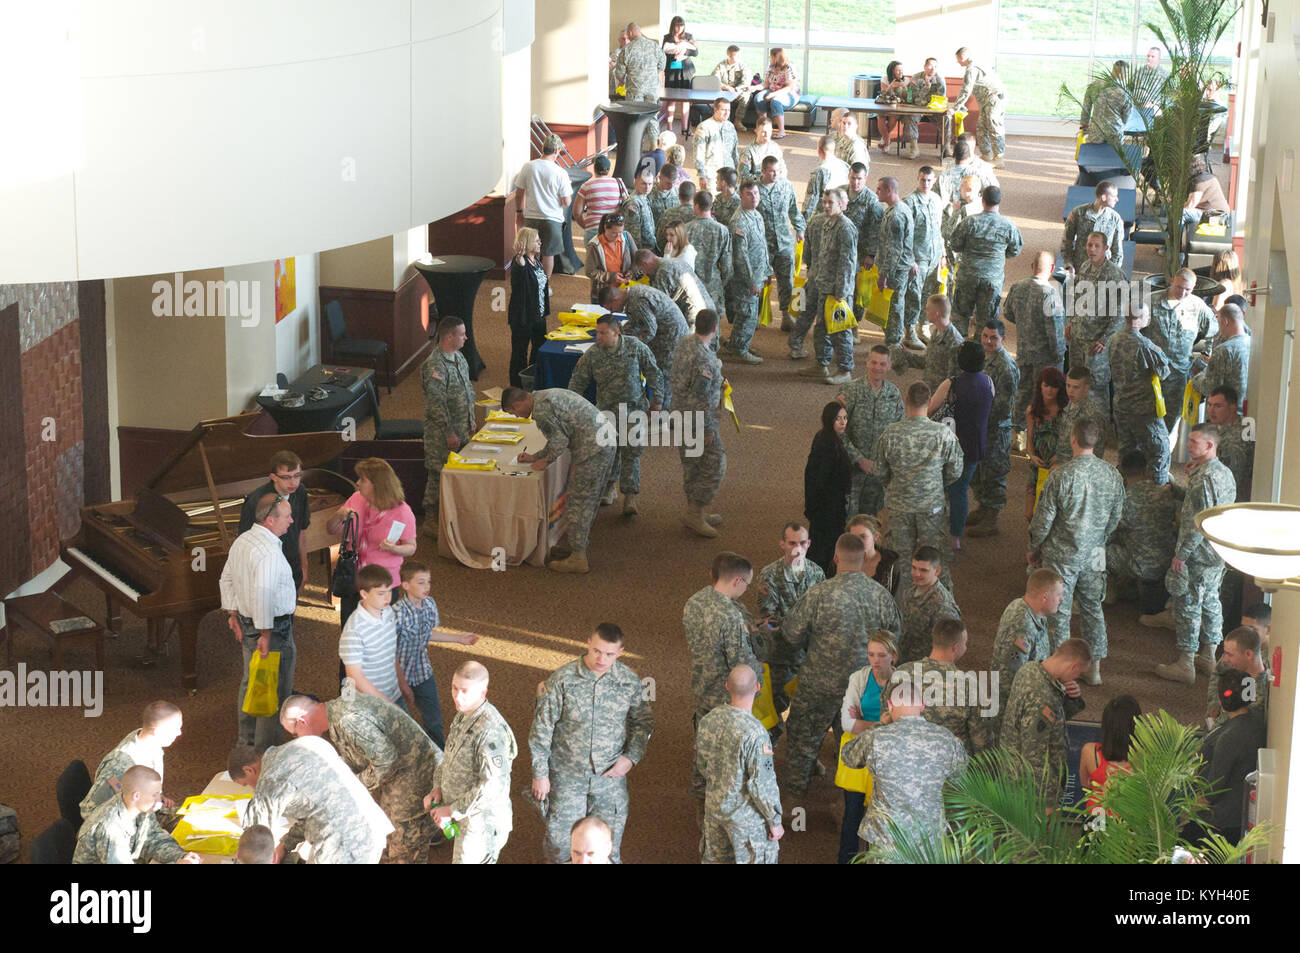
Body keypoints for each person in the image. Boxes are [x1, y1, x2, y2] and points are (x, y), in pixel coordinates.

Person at [780, 532, 902, 797]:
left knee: (803, 740)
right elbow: (894, 641)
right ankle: (852, 803)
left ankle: (795, 798)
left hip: (818, 684)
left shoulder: (819, 594)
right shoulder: (882, 597)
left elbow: (790, 634)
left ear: (835, 558)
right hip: (864, 688)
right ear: (863, 559)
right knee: (857, 744)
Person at [530, 623, 654, 864]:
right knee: (561, 846)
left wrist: (630, 759)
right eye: (597, 650)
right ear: (588, 643)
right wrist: (540, 773)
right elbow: (542, 728)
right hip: (567, 774)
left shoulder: (629, 681)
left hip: (610, 777)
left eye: (609, 654)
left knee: (607, 846)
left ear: (620, 652)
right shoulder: (562, 679)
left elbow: (643, 722)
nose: (601, 658)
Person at [280, 691, 442, 864]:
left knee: (401, 846)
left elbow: (386, 761)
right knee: (396, 839)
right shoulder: (337, 712)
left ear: (302, 721)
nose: (298, 739)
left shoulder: (348, 720)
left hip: (415, 774)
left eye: (295, 734)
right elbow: (358, 758)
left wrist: (354, 785)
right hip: (405, 771)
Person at [1028, 420, 1124, 683]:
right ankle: (1094, 669)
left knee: (1060, 612)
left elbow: (1043, 521)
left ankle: (1063, 670)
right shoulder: (1113, 475)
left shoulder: (1061, 476)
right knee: (1093, 607)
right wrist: (1100, 537)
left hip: (1063, 555)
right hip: (1096, 553)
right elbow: (1116, 517)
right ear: (1096, 442)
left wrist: (1034, 547)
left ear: (1073, 440)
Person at [840, 677, 967, 857]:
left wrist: (879, 725)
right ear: (922, 704)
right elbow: (960, 779)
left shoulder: (877, 737)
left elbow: (848, 756)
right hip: (930, 840)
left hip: (886, 840)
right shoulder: (947, 739)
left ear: (890, 706)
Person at [504, 386, 616, 573]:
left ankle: (578, 558)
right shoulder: (542, 396)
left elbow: (559, 442)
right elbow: (561, 435)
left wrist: (545, 460)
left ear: (517, 404)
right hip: (603, 442)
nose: (516, 417)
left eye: (513, 412)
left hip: (593, 451)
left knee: (578, 502)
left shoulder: (541, 410)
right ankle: (577, 546)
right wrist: (536, 456)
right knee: (588, 499)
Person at [1157, 423, 1237, 683]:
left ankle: (1185, 664)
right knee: (1212, 601)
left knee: (1188, 605)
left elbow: (1197, 522)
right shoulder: (1224, 473)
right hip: (1218, 551)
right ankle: (1208, 656)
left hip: (1198, 554)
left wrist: (1181, 555)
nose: (1189, 446)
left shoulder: (1204, 479)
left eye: (1194, 442)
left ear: (1210, 445)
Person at [238, 735, 393, 864]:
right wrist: (285, 845)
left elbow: (256, 839)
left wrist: (244, 858)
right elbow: (315, 811)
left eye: (245, 784)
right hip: (371, 831)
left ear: (248, 770)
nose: (252, 788)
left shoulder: (271, 778)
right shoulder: (306, 743)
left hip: (343, 847)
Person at [220, 493, 297, 748]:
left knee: (251, 683)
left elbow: (226, 579)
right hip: (273, 631)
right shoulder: (268, 553)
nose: (292, 521)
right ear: (270, 520)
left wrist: (232, 614)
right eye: (287, 516)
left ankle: (246, 744)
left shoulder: (243, 540)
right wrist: (266, 633)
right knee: (272, 694)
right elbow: (263, 594)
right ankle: (267, 754)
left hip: (246, 622)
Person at [568, 313, 664, 516]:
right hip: (607, 411)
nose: (599, 337)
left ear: (616, 332)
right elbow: (578, 383)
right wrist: (571, 408)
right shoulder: (593, 354)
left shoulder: (635, 347)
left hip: (634, 409)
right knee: (610, 453)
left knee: (632, 452)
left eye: (603, 333)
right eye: (597, 333)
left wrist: (657, 401)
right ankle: (610, 487)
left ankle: (630, 497)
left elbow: (654, 372)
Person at [876, 380, 965, 591]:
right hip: (931, 506)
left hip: (899, 505)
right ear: (930, 401)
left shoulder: (890, 433)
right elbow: (956, 470)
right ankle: (943, 608)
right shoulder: (944, 434)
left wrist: (896, 485)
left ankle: (901, 608)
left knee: (900, 560)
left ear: (907, 401)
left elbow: (880, 472)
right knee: (936, 557)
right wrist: (936, 484)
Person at [425, 661, 518, 864]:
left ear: (483, 692)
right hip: (464, 815)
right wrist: (437, 787)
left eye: (465, 691)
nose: (458, 696)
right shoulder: (463, 716)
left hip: (482, 823)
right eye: (454, 688)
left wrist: (450, 810)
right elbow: (449, 759)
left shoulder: (490, 732)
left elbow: (492, 787)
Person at [696, 665, 784, 863]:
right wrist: (774, 821)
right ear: (758, 688)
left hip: (714, 809)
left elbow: (702, 765)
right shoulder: (756, 733)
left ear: (727, 686)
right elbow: (761, 783)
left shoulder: (708, 720)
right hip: (746, 820)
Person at [392, 559, 478, 746]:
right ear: (406, 585)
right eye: (421, 582)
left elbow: (428, 633)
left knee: (434, 720)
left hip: (422, 670)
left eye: (429, 582)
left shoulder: (430, 604)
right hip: (394, 675)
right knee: (402, 725)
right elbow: (388, 650)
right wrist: (402, 682)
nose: (427, 587)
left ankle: (439, 758)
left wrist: (458, 638)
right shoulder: (396, 613)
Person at [1000, 638, 1090, 808]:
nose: (1076, 678)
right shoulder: (1042, 698)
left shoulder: (1030, 668)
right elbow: (1035, 756)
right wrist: (1047, 802)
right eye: (1078, 673)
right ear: (1073, 667)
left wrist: (1072, 699)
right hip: (1029, 790)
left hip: (1015, 772)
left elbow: (1054, 719)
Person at [327, 457, 416, 621]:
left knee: (377, 634)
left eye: (363, 479)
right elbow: (330, 529)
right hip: (353, 579)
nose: (358, 482)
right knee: (349, 627)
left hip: (381, 584)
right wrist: (339, 515)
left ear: (377, 484)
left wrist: (394, 549)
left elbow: (411, 547)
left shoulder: (402, 511)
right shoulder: (355, 498)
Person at [836, 631, 897, 863]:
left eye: (881, 655)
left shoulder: (903, 681)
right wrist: (882, 723)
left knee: (881, 819)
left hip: (887, 759)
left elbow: (903, 725)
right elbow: (847, 723)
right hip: (859, 755)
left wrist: (862, 723)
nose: (875, 660)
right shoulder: (858, 678)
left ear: (893, 655)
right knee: (852, 815)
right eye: (871, 654)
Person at [893, 618, 991, 755]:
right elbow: (980, 741)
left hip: (905, 762)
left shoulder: (901, 673)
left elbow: (886, 719)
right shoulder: (969, 685)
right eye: (965, 644)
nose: (966, 648)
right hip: (951, 768)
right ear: (955, 647)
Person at [929, 341, 993, 546]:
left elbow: (930, 408)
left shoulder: (952, 384)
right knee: (961, 489)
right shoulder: (989, 382)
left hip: (950, 446)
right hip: (975, 446)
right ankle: (956, 535)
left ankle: (933, 529)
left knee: (940, 487)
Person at [670, 310, 728, 536]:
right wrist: (706, 429)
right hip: (696, 419)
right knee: (716, 463)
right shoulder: (706, 360)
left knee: (692, 462)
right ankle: (695, 512)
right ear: (715, 329)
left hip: (679, 412)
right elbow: (701, 397)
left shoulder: (685, 341)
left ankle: (695, 511)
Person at [989, 570, 1064, 742]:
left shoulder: (1025, 607)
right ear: (1044, 597)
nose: (1062, 599)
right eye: (1059, 595)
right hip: (1012, 705)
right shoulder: (1023, 625)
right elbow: (1012, 677)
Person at [793, 188, 858, 384]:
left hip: (837, 291)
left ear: (841, 204)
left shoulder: (846, 228)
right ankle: (821, 365)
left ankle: (845, 369)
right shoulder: (828, 223)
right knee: (821, 327)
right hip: (823, 285)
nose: (826, 205)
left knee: (840, 330)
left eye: (830, 202)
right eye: (824, 201)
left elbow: (848, 262)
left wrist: (842, 291)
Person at [73, 765, 198, 865]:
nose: (159, 799)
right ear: (136, 796)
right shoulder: (110, 829)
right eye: (155, 794)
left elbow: (153, 838)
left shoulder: (139, 806)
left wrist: (179, 856)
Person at [1196, 669, 1267, 844]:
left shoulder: (1229, 738)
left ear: (1221, 699)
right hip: (1237, 813)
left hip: (1219, 822)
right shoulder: (1257, 721)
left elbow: (1212, 790)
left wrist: (1184, 807)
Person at [419, 316, 475, 538]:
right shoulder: (435, 365)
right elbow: (436, 403)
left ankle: (452, 514)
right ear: (449, 336)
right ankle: (431, 520)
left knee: (457, 473)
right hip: (441, 433)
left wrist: (471, 420)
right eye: (462, 334)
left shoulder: (459, 357)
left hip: (462, 428)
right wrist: (449, 431)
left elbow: (467, 389)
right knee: (438, 474)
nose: (466, 337)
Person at [80, 701, 183, 820]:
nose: (179, 733)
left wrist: (158, 796)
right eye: (176, 729)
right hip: (119, 823)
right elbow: (88, 811)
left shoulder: (146, 738)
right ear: (157, 731)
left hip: (147, 809)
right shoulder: (120, 768)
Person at [755, 522, 824, 698]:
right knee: (779, 701)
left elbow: (821, 612)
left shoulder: (817, 573)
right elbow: (768, 618)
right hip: (781, 655)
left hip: (810, 653)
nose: (797, 548)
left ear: (808, 544)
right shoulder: (769, 575)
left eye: (802, 543)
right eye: (792, 543)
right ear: (782, 544)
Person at [1145, 268, 1218, 433]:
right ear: (1172, 281)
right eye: (1179, 287)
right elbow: (1133, 330)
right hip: (1151, 372)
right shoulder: (1150, 301)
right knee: (1147, 418)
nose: (1183, 292)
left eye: (1188, 289)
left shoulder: (1197, 305)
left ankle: (1164, 455)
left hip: (1179, 374)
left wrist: (1207, 352)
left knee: (1170, 421)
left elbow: (1215, 330)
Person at [1107, 451, 1179, 617]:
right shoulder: (1165, 492)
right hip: (1169, 562)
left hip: (1139, 565)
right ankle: (1129, 587)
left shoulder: (1122, 500)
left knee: (1097, 549)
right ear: (1147, 470)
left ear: (1122, 474)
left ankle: (1108, 590)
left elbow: (1109, 532)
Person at [1108, 301, 1173, 485]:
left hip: (1121, 406)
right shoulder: (1144, 345)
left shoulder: (1114, 339)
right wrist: (1160, 352)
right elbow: (1164, 372)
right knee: (1159, 451)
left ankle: (1124, 491)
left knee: (1127, 454)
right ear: (1140, 319)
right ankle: (1155, 495)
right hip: (1143, 411)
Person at [966, 319, 1019, 537]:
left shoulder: (1006, 367)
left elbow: (1003, 407)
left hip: (995, 430)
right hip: (979, 426)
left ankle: (992, 519)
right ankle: (983, 508)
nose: (988, 341)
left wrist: (977, 419)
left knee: (994, 473)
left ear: (1003, 339)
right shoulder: (983, 358)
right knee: (978, 471)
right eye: (985, 336)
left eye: (993, 337)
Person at [837, 344, 904, 516]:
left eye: (882, 364)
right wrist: (859, 459)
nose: (877, 368)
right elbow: (838, 431)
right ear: (866, 363)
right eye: (873, 362)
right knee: (847, 516)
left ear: (889, 366)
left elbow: (898, 432)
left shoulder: (893, 394)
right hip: (851, 468)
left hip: (878, 469)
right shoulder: (850, 390)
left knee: (871, 517)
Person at [949, 185, 1023, 337]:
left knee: (961, 316)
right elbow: (1015, 250)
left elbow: (955, 245)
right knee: (986, 321)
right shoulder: (1008, 225)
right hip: (992, 279)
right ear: (1000, 201)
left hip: (968, 276)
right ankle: (979, 353)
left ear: (982, 200)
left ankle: (957, 350)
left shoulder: (970, 222)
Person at [1005, 252, 1067, 433]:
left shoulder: (1017, 287)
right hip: (1046, 357)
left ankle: (1018, 431)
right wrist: (1060, 355)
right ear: (1052, 270)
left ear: (1032, 266)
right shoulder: (1050, 294)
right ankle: (1040, 433)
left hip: (1023, 351)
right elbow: (1054, 331)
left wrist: (1026, 323)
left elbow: (1008, 313)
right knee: (1045, 396)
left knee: (1022, 391)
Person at [601, 282, 688, 409]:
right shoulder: (632, 295)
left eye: (610, 308)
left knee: (662, 375)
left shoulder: (637, 301)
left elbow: (650, 330)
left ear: (615, 299)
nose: (612, 312)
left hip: (671, 337)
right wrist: (620, 337)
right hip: (666, 332)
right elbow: (637, 322)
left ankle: (663, 413)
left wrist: (629, 344)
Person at [1067, 230, 1128, 405]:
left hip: (1096, 342)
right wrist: (1070, 322)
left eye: (1096, 246)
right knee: (1075, 384)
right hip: (1078, 338)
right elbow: (1075, 297)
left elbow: (1120, 312)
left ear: (1106, 248)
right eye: (1089, 245)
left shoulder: (1114, 275)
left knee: (1096, 387)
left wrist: (1105, 340)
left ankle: (1098, 427)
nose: (1092, 249)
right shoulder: (1085, 266)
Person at [237, 450, 310, 591]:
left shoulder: (300, 492)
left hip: (292, 564)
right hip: (267, 570)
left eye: (297, 476)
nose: (293, 482)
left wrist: (304, 566)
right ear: (273, 477)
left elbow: (301, 530)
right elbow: (245, 542)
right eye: (286, 477)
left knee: (289, 608)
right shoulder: (256, 500)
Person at [337, 564, 406, 705]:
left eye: (389, 591)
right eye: (381, 593)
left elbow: (391, 652)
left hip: (392, 694)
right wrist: (387, 704)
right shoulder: (354, 630)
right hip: (368, 702)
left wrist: (402, 683)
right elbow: (354, 676)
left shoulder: (388, 612)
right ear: (364, 594)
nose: (387, 597)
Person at [722, 176, 770, 364]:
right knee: (747, 314)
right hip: (745, 279)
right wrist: (751, 282)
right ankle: (740, 350)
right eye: (749, 194)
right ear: (741, 196)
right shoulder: (739, 221)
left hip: (758, 274)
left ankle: (738, 343)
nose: (754, 197)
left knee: (748, 313)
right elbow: (740, 257)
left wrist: (766, 270)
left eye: (756, 193)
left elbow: (761, 246)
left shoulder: (756, 215)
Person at [804, 402, 855, 573]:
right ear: (829, 419)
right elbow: (820, 479)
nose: (843, 422)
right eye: (838, 418)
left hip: (828, 504)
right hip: (827, 507)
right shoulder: (827, 445)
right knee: (824, 548)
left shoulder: (828, 438)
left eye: (845, 418)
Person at [756, 155, 806, 332]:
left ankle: (786, 315)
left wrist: (800, 229)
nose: (775, 174)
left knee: (787, 280)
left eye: (778, 171)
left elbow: (793, 209)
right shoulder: (754, 190)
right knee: (760, 280)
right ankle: (756, 316)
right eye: (771, 171)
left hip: (784, 241)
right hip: (762, 245)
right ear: (763, 171)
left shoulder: (786, 186)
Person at [513, 133, 572, 277]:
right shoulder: (560, 172)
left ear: (542, 147)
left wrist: (519, 212)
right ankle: (544, 286)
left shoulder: (528, 167)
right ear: (557, 150)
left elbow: (519, 193)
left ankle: (530, 281)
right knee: (548, 254)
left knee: (530, 252)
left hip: (531, 216)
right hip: (552, 219)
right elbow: (567, 201)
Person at [902, 166, 946, 349]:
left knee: (929, 293)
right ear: (917, 179)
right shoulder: (909, 202)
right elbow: (905, 235)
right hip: (918, 257)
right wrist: (910, 259)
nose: (926, 184)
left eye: (929, 180)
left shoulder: (937, 200)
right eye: (922, 180)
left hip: (934, 255)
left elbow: (940, 228)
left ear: (934, 181)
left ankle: (923, 326)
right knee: (914, 294)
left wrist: (943, 253)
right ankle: (910, 331)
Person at [895, 546, 961, 663]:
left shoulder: (943, 605)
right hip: (905, 661)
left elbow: (949, 648)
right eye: (914, 568)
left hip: (925, 669)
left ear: (937, 571)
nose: (916, 574)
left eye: (923, 570)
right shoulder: (911, 590)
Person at [872, 175, 915, 348]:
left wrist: (884, 275)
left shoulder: (895, 215)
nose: (877, 192)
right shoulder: (899, 208)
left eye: (879, 189)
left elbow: (894, 250)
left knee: (894, 308)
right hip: (898, 267)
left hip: (894, 271)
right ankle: (893, 341)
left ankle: (894, 345)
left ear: (889, 190)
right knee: (892, 306)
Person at [1080, 695, 1141, 814]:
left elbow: (1085, 784)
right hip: (1131, 823)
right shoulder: (1147, 756)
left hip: (1096, 821)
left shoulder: (1089, 751)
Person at [507, 227, 551, 389]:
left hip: (538, 315)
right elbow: (521, 266)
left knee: (539, 347)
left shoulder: (537, 260)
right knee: (520, 352)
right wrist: (519, 256)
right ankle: (517, 387)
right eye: (536, 240)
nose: (540, 242)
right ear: (526, 242)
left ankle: (532, 379)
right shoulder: (521, 261)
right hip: (523, 317)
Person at [892, 293, 964, 392]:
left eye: (928, 309)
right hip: (928, 389)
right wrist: (906, 354)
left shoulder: (955, 343)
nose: (925, 311)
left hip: (939, 397)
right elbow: (928, 361)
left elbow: (953, 381)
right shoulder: (936, 332)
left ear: (937, 313)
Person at [614, 22, 667, 148]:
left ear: (630, 33)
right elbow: (662, 64)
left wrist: (624, 79)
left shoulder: (626, 49)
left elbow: (619, 73)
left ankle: (636, 146)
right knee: (653, 116)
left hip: (634, 90)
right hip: (652, 89)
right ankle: (653, 145)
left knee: (634, 118)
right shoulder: (653, 46)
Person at [637, 248, 717, 332]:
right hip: (708, 308)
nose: (645, 274)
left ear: (645, 263)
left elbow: (659, 306)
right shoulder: (676, 261)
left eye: (643, 270)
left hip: (695, 317)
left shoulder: (663, 271)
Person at [952, 47, 1007, 166]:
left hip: (993, 100)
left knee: (994, 127)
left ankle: (999, 159)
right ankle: (986, 154)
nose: (958, 62)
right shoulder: (975, 64)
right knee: (981, 127)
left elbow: (966, 90)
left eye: (958, 60)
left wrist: (955, 108)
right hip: (985, 102)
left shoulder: (972, 69)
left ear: (962, 57)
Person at [1024, 365, 1067, 520]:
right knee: (1030, 514)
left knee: (1052, 513)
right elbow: (1029, 439)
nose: (1049, 390)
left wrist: (1059, 456)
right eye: (1046, 385)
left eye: (1054, 387)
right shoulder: (1032, 411)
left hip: (1058, 465)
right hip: (1037, 464)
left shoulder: (1066, 411)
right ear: (1040, 387)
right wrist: (1032, 456)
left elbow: (1069, 440)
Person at [1207, 626, 1271, 727]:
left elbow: (1235, 728)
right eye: (1225, 653)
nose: (1225, 659)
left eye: (1229, 655)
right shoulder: (1235, 663)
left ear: (1248, 654)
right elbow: (1217, 672)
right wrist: (1214, 703)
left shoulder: (1255, 695)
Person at [686, 191, 733, 322]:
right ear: (710, 206)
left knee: (693, 322)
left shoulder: (686, 229)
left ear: (696, 206)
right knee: (713, 324)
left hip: (691, 284)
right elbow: (727, 266)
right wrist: (721, 283)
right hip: (713, 284)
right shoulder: (722, 230)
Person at [1061, 180, 1125, 273]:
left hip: (1103, 271)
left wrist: (1110, 271)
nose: (1117, 199)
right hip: (1080, 268)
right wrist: (1068, 264)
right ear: (1103, 197)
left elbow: (1118, 252)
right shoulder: (1078, 213)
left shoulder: (1115, 219)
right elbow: (1067, 241)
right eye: (1114, 196)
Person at [1191, 303, 1250, 403]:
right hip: (1244, 407)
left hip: (1224, 411)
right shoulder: (1251, 343)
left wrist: (1197, 379)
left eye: (1219, 323)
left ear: (1225, 322)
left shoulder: (1223, 351)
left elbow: (1210, 388)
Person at [1054, 366, 1110, 466]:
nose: (1070, 391)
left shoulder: (1093, 414)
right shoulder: (1068, 404)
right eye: (1068, 385)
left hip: (1077, 469)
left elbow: (1095, 453)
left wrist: (1065, 467)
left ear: (1086, 388)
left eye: (1076, 387)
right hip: (1059, 463)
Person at [1206, 385, 1254, 495]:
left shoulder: (1234, 441)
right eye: (1209, 404)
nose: (1211, 410)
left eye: (1218, 406)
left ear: (1232, 408)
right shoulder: (1220, 426)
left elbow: (1229, 482)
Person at [573, 155, 627, 245]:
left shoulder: (586, 186)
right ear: (609, 169)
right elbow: (626, 205)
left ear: (594, 169)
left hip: (593, 229)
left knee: (593, 258)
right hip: (613, 229)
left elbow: (577, 213)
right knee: (613, 258)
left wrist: (586, 226)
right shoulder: (618, 183)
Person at [584, 212, 636, 305]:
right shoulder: (594, 246)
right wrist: (611, 277)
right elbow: (590, 271)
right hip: (603, 294)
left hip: (624, 291)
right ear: (605, 228)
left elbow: (637, 259)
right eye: (614, 233)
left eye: (620, 232)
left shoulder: (626, 236)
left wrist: (631, 272)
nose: (618, 236)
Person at [1080, 61, 1133, 150]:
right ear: (1121, 74)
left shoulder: (1095, 85)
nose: (1127, 76)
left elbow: (1086, 108)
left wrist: (1084, 125)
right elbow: (1126, 116)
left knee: (1093, 157)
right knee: (1114, 158)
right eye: (1126, 74)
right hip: (1114, 134)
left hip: (1095, 132)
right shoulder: (1124, 92)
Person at [848, 513, 901, 596]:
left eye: (863, 536)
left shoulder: (891, 564)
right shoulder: (842, 561)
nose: (857, 542)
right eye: (853, 538)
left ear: (875, 536)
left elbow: (897, 601)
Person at [660, 16, 697, 134]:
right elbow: (663, 52)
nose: (679, 28)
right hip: (672, 70)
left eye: (681, 25)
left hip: (685, 69)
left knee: (685, 99)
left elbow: (696, 52)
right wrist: (674, 51)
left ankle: (685, 128)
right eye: (676, 25)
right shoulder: (667, 37)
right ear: (673, 26)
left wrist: (684, 51)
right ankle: (669, 128)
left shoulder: (688, 37)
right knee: (671, 98)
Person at [907, 58, 950, 158]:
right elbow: (914, 99)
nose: (932, 69)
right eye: (930, 66)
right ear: (925, 66)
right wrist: (926, 87)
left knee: (947, 119)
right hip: (918, 109)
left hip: (933, 110)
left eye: (935, 66)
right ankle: (914, 148)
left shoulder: (940, 79)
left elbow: (939, 100)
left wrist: (923, 97)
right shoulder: (916, 77)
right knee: (910, 117)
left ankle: (946, 147)